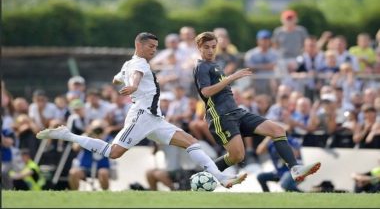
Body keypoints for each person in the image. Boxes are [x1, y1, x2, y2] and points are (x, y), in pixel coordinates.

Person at [36, 32, 246, 188]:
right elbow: (135, 75)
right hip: (141, 116)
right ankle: (67, 135)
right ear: (139, 45)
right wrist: (134, 85)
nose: (154, 50)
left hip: (155, 119)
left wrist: (122, 81)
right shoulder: (140, 64)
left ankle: (222, 178)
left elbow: (116, 78)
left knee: (192, 142)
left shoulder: (129, 63)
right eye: (151, 46)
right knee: (114, 152)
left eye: (156, 47)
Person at [193, 32, 320, 182]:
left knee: (278, 130)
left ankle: (295, 168)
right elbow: (206, 92)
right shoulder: (201, 67)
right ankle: (202, 178)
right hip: (221, 116)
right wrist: (231, 78)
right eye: (206, 47)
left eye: (213, 47)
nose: (210, 50)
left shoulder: (214, 65)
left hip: (237, 112)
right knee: (237, 156)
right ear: (199, 47)